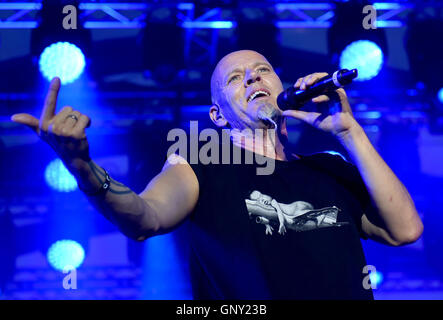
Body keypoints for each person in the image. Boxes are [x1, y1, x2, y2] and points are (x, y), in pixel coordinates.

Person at [11, 50, 423, 299]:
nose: (251, 77)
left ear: (280, 84)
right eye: (235, 78)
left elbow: (405, 230)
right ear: (218, 117)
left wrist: (352, 135)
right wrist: (81, 166)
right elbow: (145, 217)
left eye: (262, 70)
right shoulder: (200, 164)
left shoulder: (330, 168)